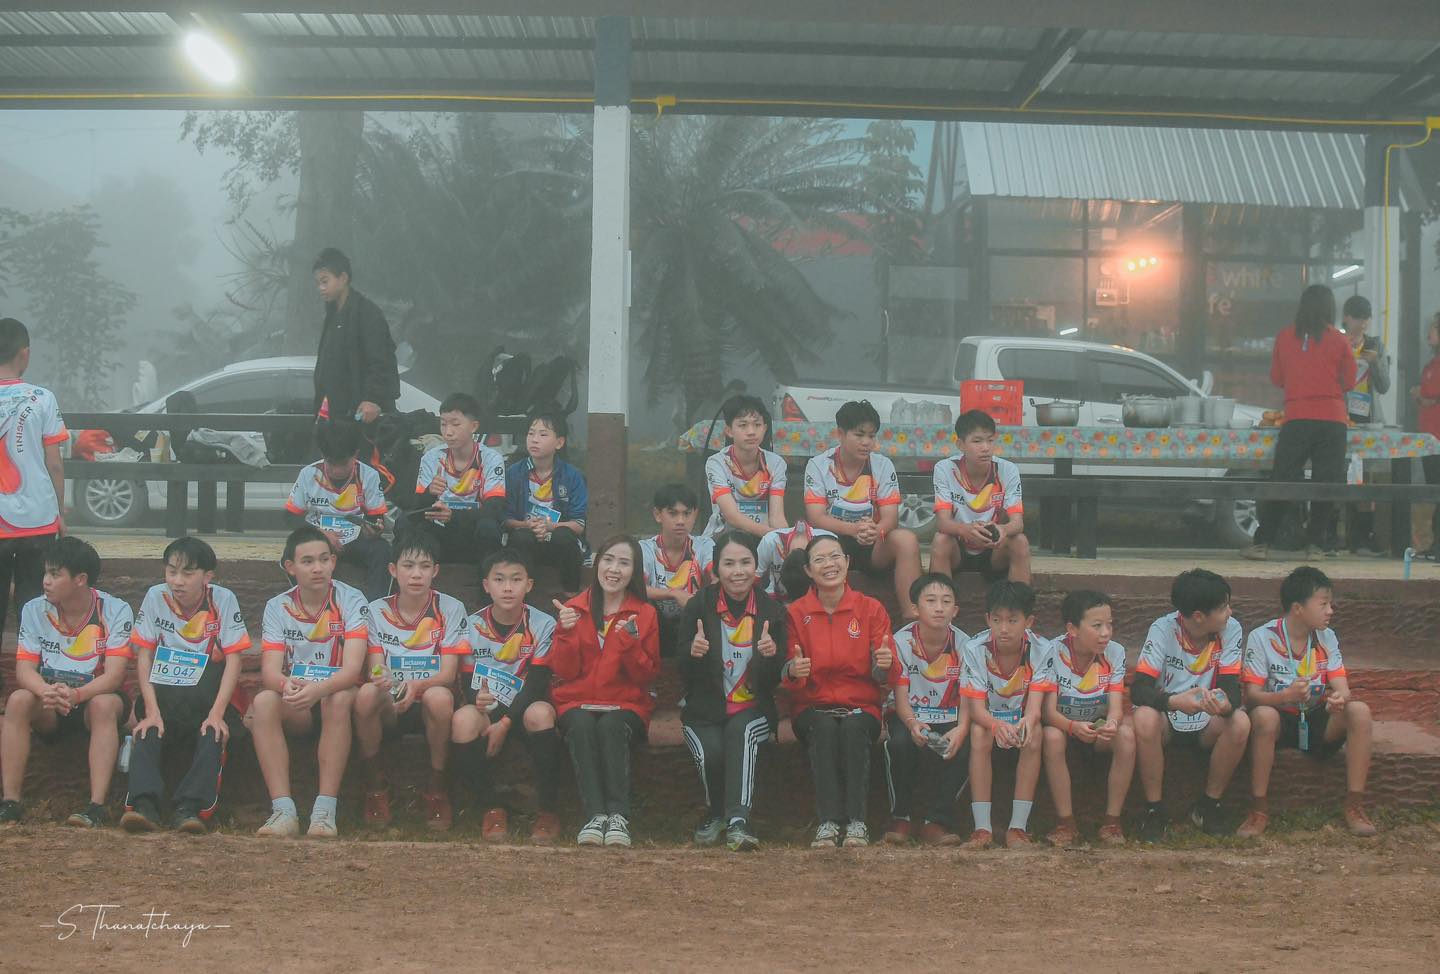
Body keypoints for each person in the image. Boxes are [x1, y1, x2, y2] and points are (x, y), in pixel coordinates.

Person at [0, 537, 132, 827]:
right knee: (19, 699)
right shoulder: (34, 608)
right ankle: (10, 802)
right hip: (50, 699)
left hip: (93, 697)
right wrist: (45, 690)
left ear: (80, 579)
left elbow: (114, 676)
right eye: (45, 573)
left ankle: (96, 807)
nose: (45, 581)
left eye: (55, 574)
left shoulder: (115, 609)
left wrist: (77, 694)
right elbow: (24, 670)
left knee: (102, 705)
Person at [122, 537, 250, 834]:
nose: (177, 581)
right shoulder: (156, 596)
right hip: (164, 695)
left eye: (188, 573)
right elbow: (144, 655)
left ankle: (190, 809)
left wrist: (217, 714)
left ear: (207, 576)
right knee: (146, 730)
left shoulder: (223, 599)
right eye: (171, 571)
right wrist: (151, 710)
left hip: (208, 697)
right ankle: (144, 806)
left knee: (213, 733)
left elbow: (234, 660)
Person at [250, 526, 369, 839]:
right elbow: (270, 673)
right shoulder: (278, 606)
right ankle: (283, 811)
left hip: (336, 694)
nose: (318, 568)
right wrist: (286, 686)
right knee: (263, 701)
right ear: (290, 567)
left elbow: (352, 669)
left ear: (333, 562)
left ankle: (324, 812)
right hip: (299, 700)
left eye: (324, 559)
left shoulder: (351, 599)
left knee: (338, 698)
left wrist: (318, 689)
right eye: (307, 561)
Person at [1238, 566, 1375, 837]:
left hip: (1315, 717)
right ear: (1298, 608)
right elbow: (1251, 696)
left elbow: (1343, 689)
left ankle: (1354, 805)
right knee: (1264, 716)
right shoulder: (1262, 637)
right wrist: (1284, 696)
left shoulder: (1326, 637)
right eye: (1323, 604)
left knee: (1359, 711)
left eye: (1330, 604)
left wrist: (1338, 699)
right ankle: (1258, 809)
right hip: (1278, 720)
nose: (1330, 611)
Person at [544, 536, 660, 848]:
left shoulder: (644, 613)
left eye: (624, 563)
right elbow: (565, 672)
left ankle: (618, 816)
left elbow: (647, 675)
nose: (614, 569)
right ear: (597, 564)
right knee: (582, 726)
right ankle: (595, 816)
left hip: (626, 704)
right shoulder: (573, 608)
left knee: (610, 726)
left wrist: (629, 644)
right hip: (577, 701)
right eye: (608, 560)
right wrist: (565, 632)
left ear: (634, 571)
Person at [782, 534, 893, 849]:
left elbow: (884, 674)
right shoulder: (795, 613)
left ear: (847, 561)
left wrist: (883, 664)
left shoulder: (870, 609)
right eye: (819, 559)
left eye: (835, 556)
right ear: (808, 570)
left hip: (861, 706)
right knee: (825, 728)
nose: (829, 564)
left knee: (854, 729)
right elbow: (787, 673)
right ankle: (828, 822)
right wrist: (793, 671)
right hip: (812, 707)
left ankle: (857, 822)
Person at [679, 531, 787, 852]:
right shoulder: (699, 605)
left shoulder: (770, 610)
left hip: (753, 708)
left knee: (741, 734)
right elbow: (682, 669)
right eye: (729, 563)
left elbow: (775, 679)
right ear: (716, 568)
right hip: (704, 710)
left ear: (756, 567)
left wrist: (771, 656)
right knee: (711, 753)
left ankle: (738, 820)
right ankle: (716, 813)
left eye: (745, 562)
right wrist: (693, 653)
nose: (738, 571)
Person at [354, 533, 469, 832]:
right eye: (408, 566)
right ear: (393, 570)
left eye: (424, 566)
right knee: (365, 694)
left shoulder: (451, 608)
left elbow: (448, 673)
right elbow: (375, 669)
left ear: (435, 571)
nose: (416, 574)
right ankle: (375, 786)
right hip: (390, 701)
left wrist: (415, 687)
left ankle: (437, 788)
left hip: (429, 700)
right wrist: (394, 688)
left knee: (440, 697)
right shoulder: (375, 610)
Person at [1130, 569, 1251, 841]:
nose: (1230, 612)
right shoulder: (1163, 629)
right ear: (1198, 616)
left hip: (1207, 722)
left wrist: (1223, 705)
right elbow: (1139, 690)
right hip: (1168, 720)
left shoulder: (1231, 629)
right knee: (1144, 718)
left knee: (1240, 722)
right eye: (1223, 607)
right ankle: (1154, 809)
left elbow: (1232, 689)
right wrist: (1174, 702)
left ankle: (1209, 805)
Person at [452, 550, 564, 845]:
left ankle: (548, 811)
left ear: (529, 584)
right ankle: (490, 808)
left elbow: (537, 683)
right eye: (499, 580)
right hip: (488, 708)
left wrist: (504, 723)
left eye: (516, 580)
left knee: (541, 714)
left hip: (524, 706)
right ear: (486, 585)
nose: (508, 588)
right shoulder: (470, 625)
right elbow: (467, 678)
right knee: (463, 720)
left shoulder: (543, 624)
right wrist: (476, 699)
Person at [1243, 285, 1356, 560]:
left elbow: (1277, 378)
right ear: (1330, 308)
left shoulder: (1284, 336)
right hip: (1332, 420)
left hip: (1296, 418)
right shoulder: (1340, 340)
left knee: (1282, 479)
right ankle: (1315, 546)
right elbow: (1350, 381)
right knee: (1325, 483)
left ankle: (1262, 544)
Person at [803, 400, 923, 620]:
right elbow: (816, 517)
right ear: (840, 434)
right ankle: (811, 618)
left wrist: (876, 531)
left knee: (906, 539)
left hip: (872, 542)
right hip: (832, 541)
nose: (866, 442)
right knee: (801, 543)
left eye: (871, 436)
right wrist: (853, 529)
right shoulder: (818, 465)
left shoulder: (883, 465)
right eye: (859, 435)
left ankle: (912, 618)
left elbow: (891, 518)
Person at [0, 318, 69, 686]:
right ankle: (35, 686)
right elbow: (54, 463)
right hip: (38, 519)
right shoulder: (42, 398)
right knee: (34, 604)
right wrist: (61, 511)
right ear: (24, 354)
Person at [881, 573, 972, 846]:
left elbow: (969, 696)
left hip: (952, 716)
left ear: (956, 610)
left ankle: (938, 822)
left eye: (946, 601)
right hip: (907, 714)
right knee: (898, 744)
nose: (939, 608)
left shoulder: (965, 645)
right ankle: (901, 817)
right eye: (930, 601)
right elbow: (900, 696)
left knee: (967, 746)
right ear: (915, 608)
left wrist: (962, 729)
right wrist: (912, 724)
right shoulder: (901, 642)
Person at [1038, 590, 1134, 847]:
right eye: (1097, 626)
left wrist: (1112, 724)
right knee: (1051, 736)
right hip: (1064, 727)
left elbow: (1116, 707)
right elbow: (1047, 712)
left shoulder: (1115, 652)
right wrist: (1072, 727)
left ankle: (1112, 822)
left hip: (1097, 731)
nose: (1106, 633)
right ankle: (1066, 823)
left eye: (1109, 625)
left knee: (1126, 734)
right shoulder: (1051, 651)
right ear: (1073, 629)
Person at [958, 581, 1049, 849]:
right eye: (997, 620)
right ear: (988, 619)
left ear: (1028, 621)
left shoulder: (1042, 649)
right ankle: (982, 828)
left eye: (1013, 620)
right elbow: (976, 709)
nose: (1004, 628)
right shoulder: (974, 648)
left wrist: (1027, 721)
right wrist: (996, 725)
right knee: (979, 733)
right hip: (988, 719)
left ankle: (1017, 828)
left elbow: (1035, 707)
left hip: (1021, 718)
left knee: (1034, 733)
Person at [286, 419, 392, 600]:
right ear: (323, 455)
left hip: (355, 538)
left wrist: (374, 530)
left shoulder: (369, 475)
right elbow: (290, 517)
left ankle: (375, 607)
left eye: (343, 463)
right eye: (331, 463)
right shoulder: (309, 474)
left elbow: (376, 516)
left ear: (355, 454)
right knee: (290, 553)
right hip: (318, 536)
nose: (337, 470)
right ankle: (314, 604)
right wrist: (320, 534)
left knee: (382, 550)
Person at [406, 392, 507, 570]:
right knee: (404, 523)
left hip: (471, 530)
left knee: (489, 527)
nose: (448, 432)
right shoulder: (431, 457)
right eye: (443, 424)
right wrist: (429, 493)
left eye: (455, 424)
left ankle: (486, 583)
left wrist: (453, 515)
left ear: (474, 426)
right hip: (441, 530)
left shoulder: (491, 458)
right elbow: (417, 509)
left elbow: (494, 509)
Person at [929, 409, 1031, 584]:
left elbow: (1017, 523)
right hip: (958, 547)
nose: (985, 448)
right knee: (941, 540)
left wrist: (1003, 529)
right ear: (960, 444)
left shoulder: (1007, 469)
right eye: (977, 441)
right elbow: (943, 523)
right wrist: (966, 530)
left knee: (1020, 541)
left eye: (990, 440)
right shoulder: (945, 468)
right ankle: (940, 599)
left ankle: (1019, 600)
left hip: (994, 548)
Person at [311, 247, 399, 425]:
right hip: (335, 415)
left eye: (325, 281)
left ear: (343, 278)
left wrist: (372, 398)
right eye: (318, 283)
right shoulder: (332, 315)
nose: (321, 288)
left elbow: (381, 360)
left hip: (362, 416)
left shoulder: (367, 313)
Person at [504, 411, 587, 593]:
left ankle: (571, 595)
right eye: (531, 433)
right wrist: (526, 525)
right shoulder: (513, 473)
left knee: (564, 537)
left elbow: (579, 525)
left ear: (559, 442)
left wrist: (550, 527)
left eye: (543, 434)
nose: (534, 440)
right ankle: (522, 596)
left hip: (558, 541)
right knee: (520, 537)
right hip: (526, 541)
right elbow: (506, 519)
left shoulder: (572, 476)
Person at [639, 483, 714, 659]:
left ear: (695, 515)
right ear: (658, 515)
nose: (681, 521)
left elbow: (717, 578)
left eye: (687, 514)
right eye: (673, 513)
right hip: (657, 624)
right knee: (643, 606)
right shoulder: (644, 548)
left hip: (693, 623)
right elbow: (635, 587)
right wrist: (673, 593)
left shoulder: (704, 545)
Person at [700, 395, 788, 538]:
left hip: (764, 537)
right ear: (729, 431)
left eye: (757, 425)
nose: (751, 432)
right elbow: (732, 516)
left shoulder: (776, 463)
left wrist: (785, 538)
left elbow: (777, 517)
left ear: (765, 428)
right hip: (723, 535)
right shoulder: (716, 463)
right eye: (743, 425)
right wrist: (773, 535)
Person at [1339, 296, 1388, 554]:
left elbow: (1384, 386)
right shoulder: (1336, 342)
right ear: (1347, 318)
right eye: (1358, 318)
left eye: (1366, 318)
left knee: (1365, 478)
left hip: (1367, 418)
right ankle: (1337, 534)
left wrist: (1375, 361)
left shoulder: (1375, 345)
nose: (1363, 323)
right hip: (1340, 415)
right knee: (1339, 474)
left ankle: (1361, 537)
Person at [1410, 312, 1440, 559]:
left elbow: (1430, 395)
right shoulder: (1431, 365)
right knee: (1434, 491)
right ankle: (1434, 543)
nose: (1429, 332)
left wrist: (1423, 395)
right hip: (1429, 438)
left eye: (1434, 328)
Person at [755, 521, 833, 599]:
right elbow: (755, 577)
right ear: (782, 552)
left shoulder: (828, 542)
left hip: (819, 596)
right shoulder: (770, 541)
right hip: (777, 596)